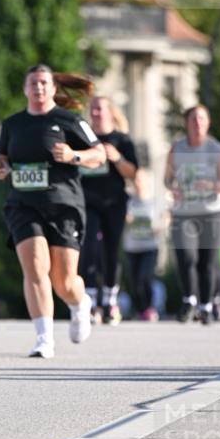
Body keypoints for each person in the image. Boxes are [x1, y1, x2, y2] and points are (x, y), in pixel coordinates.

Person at [0, 64, 105, 359]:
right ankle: (44, 338)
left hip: (63, 205)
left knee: (63, 281)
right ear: (25, 89)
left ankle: (80, 304)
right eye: (33, 83)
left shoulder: (69, 120)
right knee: (35, 267)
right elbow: (1, 160)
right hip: (23, 205)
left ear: (53, 88)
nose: (39, 88)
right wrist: (0, 168)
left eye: (44, 83)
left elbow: (100, 154)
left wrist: (73, 155)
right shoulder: (12, 124)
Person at [165, 104, 220, 325]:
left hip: (212, 212)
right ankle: (189, 301)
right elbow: (167, 178)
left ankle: (206, 306)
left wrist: (212, 185)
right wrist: (172, 187)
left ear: (208, 123)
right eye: (194, 119)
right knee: (186, 256)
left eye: (202, 119)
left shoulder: (216, 149)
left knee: (207, 260)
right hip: (184, 212)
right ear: (187, 123)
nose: (198, 123)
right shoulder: (177, 148)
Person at [78, 95, 138, 324]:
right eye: (92, 109)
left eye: (99, 109)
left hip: (115, 203)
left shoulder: (122, 139)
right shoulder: (82, 137)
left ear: (110, 112)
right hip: (88, 202)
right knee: (89, 249)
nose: (95, 113)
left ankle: (110, 301)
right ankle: (91, 302)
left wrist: (116, 157)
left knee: (111, 252)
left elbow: (133, 173)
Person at [123, 168, 166, 321]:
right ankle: (140, 310)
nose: (138, 182)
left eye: (141, 179)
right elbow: (123, 219)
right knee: (134, 282)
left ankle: (149, 308)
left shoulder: (155, 201)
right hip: (132, 247)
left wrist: (160, 227)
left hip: (150, 247)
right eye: (136, 179)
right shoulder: (129, 201)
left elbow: (166, 218)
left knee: (144, 278)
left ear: (148, 182)